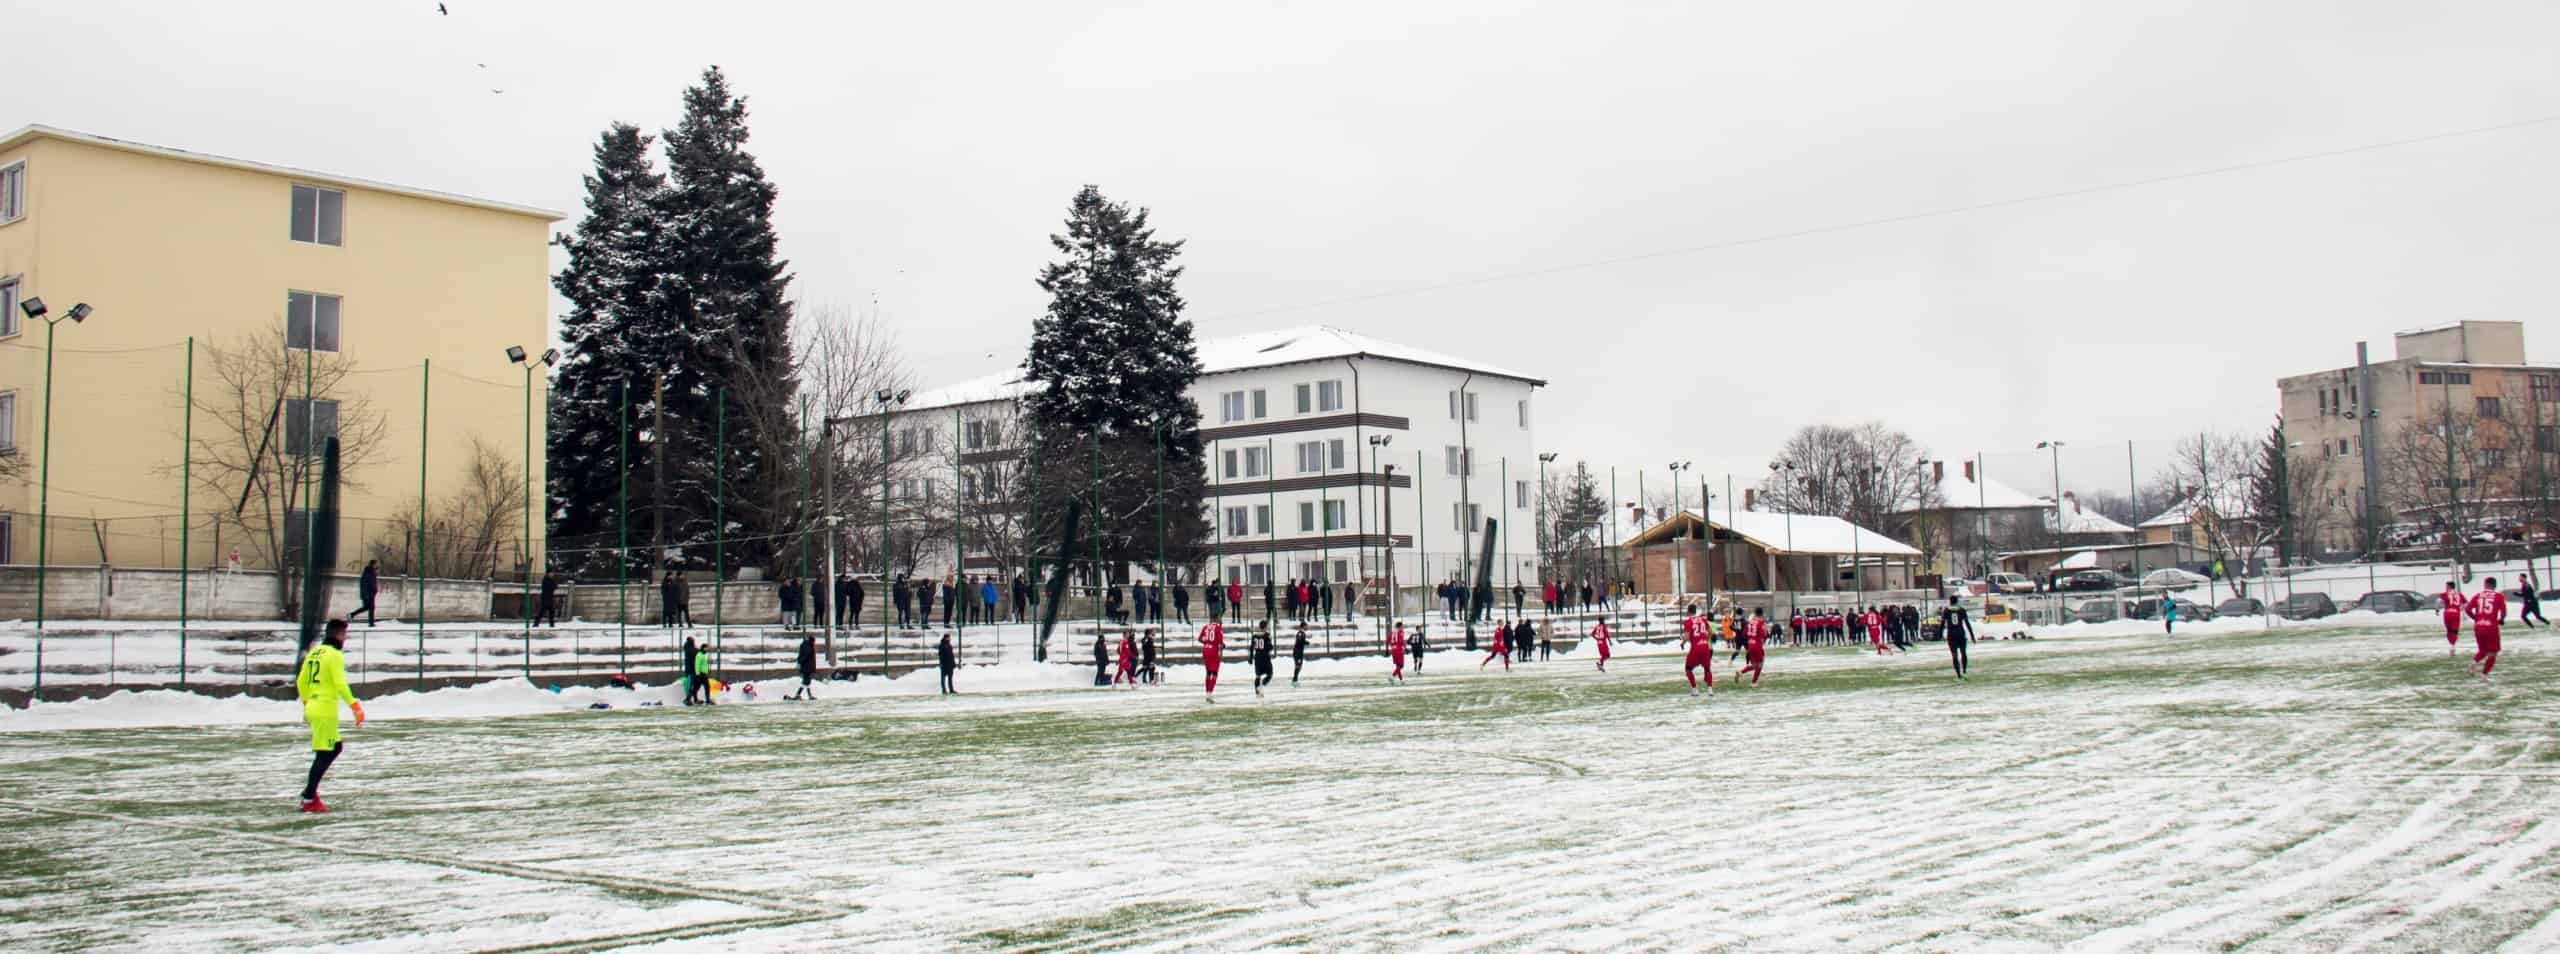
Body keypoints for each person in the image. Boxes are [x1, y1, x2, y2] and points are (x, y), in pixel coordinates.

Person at [296, 620, 364, 813]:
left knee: (330, 749)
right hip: (325, 708)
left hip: (314, 706)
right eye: (344, 634)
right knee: (328, 751)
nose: (345, 638)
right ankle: (309, 796)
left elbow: (301, 681)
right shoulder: (334, 655)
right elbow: (340, 683)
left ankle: (309, 793)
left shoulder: (315, 652)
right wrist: (355, 706)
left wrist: (308, 702)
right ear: (339, 635)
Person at [2470, 577, 2508, 681]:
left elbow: (2468, 609)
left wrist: (2476, 618)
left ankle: (2474, 662)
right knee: (2492, 652)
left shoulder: (2478, 595)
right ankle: (2484, 675)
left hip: (2478, 627)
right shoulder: (2499, 596)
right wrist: (2501, 620)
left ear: (2485, 584)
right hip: (2491, 627)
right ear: (2494, 585)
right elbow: (2504, 613)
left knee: (2482, 650)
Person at [1681, 606, 1714, 695]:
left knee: (1688, 669)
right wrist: (1706, 640)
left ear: (1688, 612)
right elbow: (1710, 632)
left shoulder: (1688, 622)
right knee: (1707, 669)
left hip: (1695, 648)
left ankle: (1695, 689)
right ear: (1696, 611)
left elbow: (1687, 636)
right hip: (1705, 647)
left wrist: (1683, 642)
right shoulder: (1703, 620)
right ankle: (1710, 689)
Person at [1941, 603, 1973, 680]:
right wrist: (1972, 635)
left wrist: (1940, 634)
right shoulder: (1961, 610)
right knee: (1963, 652)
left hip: (1951, 634)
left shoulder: (1946, 610)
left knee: (1954, 655)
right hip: (1960, 633)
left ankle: (1958, 674)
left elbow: (1942, 623)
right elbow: (1967, 623)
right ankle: (1964, 669)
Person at [1739, 608, 1771, 686]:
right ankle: (1754, 682)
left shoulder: (1749, 623)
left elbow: (1744, 634)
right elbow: (1764, 635)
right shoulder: (1761, 623)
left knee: (1755, 665)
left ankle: (1740, 672)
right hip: (1757, 645)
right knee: (1760, 664)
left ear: (1755, 613)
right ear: (1762, 614)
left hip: (1750, 645)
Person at [1197, 619, 1227, 702]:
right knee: (1214, 673)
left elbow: (1199, 639)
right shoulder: (1218, 628)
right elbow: (1220, 643)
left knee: (1208, 672)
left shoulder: (1205, 627)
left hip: (1205, 650)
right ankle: (1210, 694)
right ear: (1217, 619)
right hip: (1213, 651)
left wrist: (1207, 643)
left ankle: (1207, 693)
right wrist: (1223, 646)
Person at [789, 632, 818, 700]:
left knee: (807, 681)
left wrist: (799, 662)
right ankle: (799, 694)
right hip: (807, 667)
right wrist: (800, 662)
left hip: (806, 667)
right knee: (806, 681)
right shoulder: (809, 647)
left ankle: (807, 695)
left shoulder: (805, 645)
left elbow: (802, 655)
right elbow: (805, 656)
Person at [2439, 581, 2464, 656]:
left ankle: (2451, 646)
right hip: (2456, 613)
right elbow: (2466, 603)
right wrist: (2461, 609)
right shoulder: (2459, 594)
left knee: (2449, 631)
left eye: (2446, 586)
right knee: (2455, 631)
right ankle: (2452, 646)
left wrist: (2437, 609)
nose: (2446, 588)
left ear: (2449, 587)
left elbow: (2438, 601)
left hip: (2447, 613)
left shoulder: (2444, 594)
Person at [1251, 623, 1276, 696]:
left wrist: (1250, 657)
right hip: (1265, 657)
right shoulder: (1267, 635)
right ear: (1265, 627)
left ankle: (1257, 691)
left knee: (1258, 675)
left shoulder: (1255, 635)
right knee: (1270, 674)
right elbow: (1270, 647)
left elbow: (1251, 647)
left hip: (1257, 657)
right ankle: (1262, 685)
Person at [681, 636, 705, 705]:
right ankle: (688, 699)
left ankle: (694, 699)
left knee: (693, 685)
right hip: (694, 670)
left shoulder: (687, 648)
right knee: (695, 685)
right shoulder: (693, 650)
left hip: (689, 670)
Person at [691, 637, 715, 705]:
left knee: (699, 687)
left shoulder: (704, 655)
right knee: (703, 687)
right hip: (701, 674)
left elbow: (704, 664)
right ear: (703, 648)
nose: (707, 649)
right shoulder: (699, 655)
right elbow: (697, 665)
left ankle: (697, 699)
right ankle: (704, 700)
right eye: (706, 648)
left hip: (704, 673)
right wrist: (697, 674)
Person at [357, 560, 381, 627]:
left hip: (370, 593)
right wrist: (372, 591)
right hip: (369, 593)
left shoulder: (371, 571)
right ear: (373, 564)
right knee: (370, 608)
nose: (377, 566)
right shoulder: (369, 572)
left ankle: (371, 622)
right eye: (376, 564)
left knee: (369, 608)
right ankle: (371, 623)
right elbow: (368, 583)